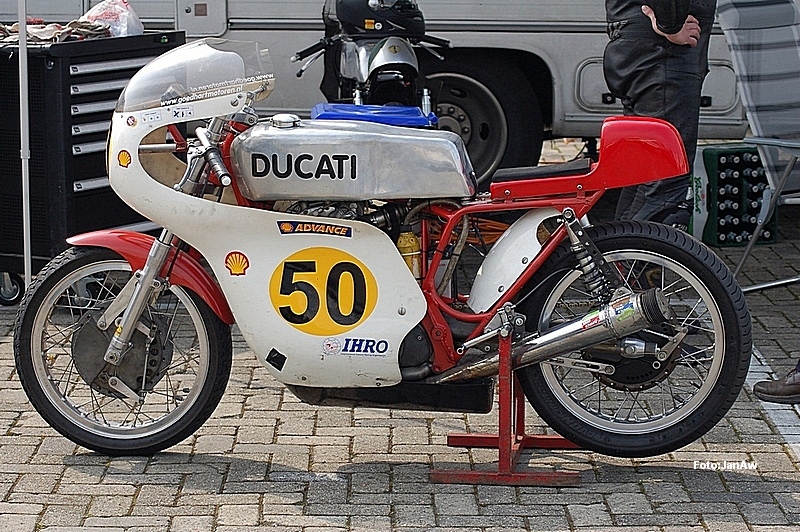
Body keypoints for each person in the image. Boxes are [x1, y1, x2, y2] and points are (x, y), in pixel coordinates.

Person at [603, 0, 717, 228]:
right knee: (664, 181)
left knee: (643, 177)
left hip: (643, 48)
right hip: (662, 54)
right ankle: (632, 259)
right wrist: (670, 24)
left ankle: (621, 258)